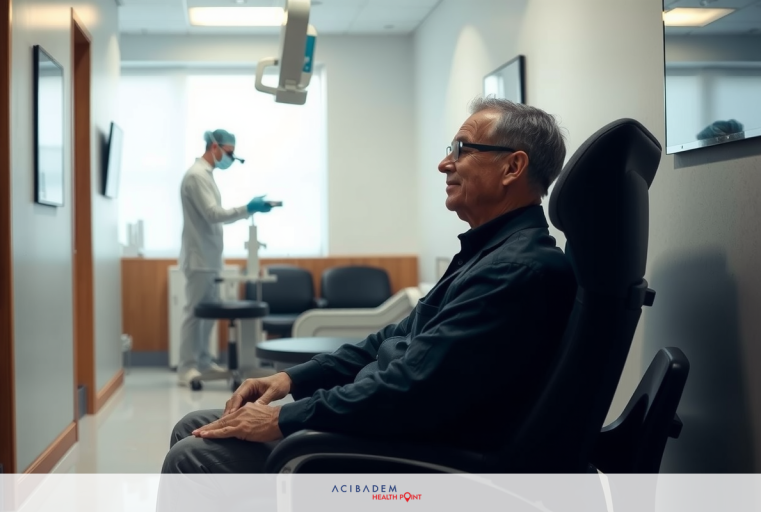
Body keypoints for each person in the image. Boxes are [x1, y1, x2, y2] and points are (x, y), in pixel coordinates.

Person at [162, 99, 577, 472]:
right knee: (193, 425)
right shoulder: (488, 253)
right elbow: (396, 336)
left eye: (461, 150)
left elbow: (411, 391)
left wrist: (284, 418)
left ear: (512, 167)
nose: (445, 164)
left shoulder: (515, 270)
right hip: (387, 419)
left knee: (193, 453)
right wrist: (292, 380)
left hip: (415, 450)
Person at [177, 129, 274, 387]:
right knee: (194, 314)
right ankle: (186, 367)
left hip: (209, 259)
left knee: (206, 316)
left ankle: (205, 362)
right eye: (229, 153)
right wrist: (247, 209)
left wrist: (247, 210)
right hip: (199, 259)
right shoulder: (196, 176)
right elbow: (213, 214)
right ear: (214, 146)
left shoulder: (206, 176)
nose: (230, 158)